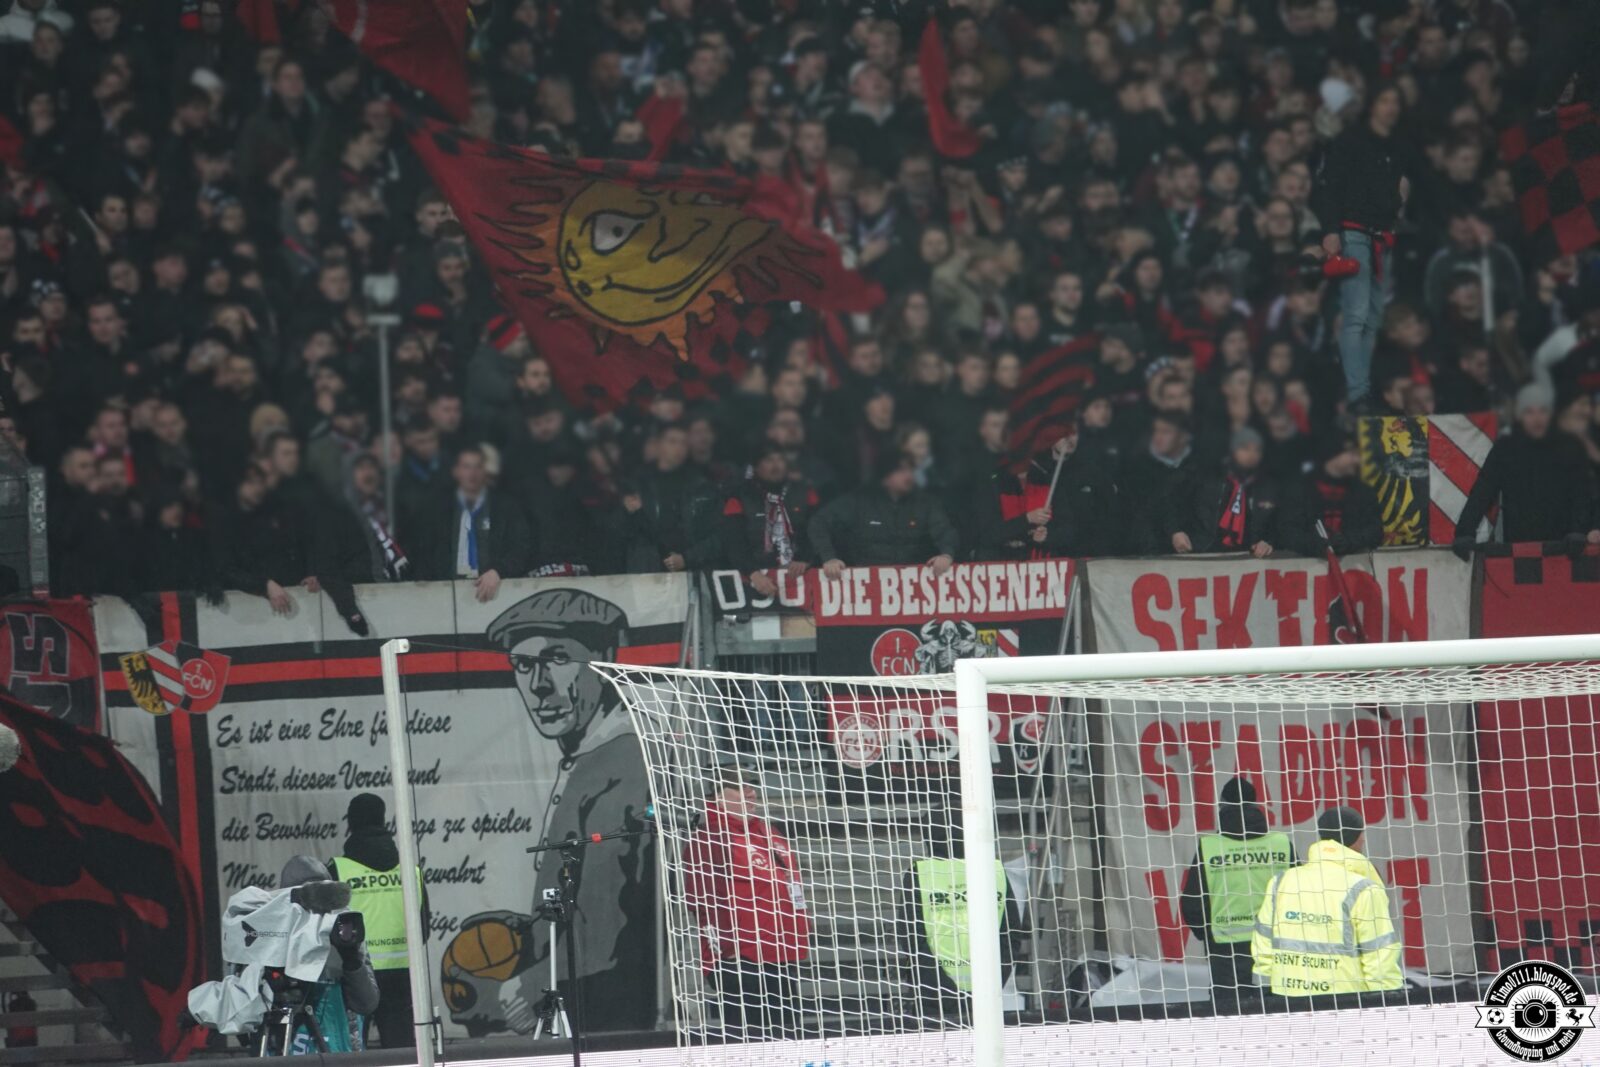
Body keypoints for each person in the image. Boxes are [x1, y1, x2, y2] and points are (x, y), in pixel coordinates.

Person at [484, 589, 656, 1033]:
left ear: (604, 659)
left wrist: (533, 983)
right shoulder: (590, 758)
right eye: (523, 665)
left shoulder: (621, 765)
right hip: (591, 991)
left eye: (557, 659)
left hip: (605, 1000)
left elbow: (607, 915)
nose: (539, 684)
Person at [682, 762, 810, 1040]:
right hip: (741, 958)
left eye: (751, 786)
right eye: (739, 787)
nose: (750, 793)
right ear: (718, 796)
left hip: (778, 952)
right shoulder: (711, 838)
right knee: (749, 1040)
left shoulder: (767, 831)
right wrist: (728, 950)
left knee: (786, 1035)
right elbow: (700, 899)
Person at [1312, 85, 1417, 411]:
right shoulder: (1351, 141)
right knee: (1355, 315)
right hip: (1355, 233)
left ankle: (1364, 389)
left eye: (1395, 101)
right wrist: (1330, 230)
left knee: (1371, 316)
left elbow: (1398, 194)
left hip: (1382, 237)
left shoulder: (1399, 146)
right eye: (1384, 99)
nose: (1390, 107)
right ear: (1372, 105)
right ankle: (1356, 392)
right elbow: (1329, 187)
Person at [1250, 806, 1403, 1000]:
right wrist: (1387, 1000)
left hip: (1286, 997)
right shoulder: (1364, 889)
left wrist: (1271, 987)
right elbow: (1380, 956)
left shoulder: (1281, 881)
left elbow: (1263, 940)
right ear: (1358, 837)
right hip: (1346, 1001)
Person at [1180, 778, 1294, 1014]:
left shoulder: (1209, 847)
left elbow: (1192, 903)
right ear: (1256, 805)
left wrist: (1208, 934)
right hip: (1276, 946)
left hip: (1226, 953)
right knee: (1278, 1014)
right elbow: (1300, 893)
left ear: (1223, 806)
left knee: (1230, 1019)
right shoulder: (1281, 844)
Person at [328, 794, 428, 1050]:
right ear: (383, 821)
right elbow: (424, 927)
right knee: (402, 1053)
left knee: (351, 1049)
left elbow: (325, 928)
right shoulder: (410, 870)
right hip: (402, 973)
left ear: (351, 823)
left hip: (356, 971)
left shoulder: (338, 869)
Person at [1454, 383, 1600, 549]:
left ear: (1550, 414)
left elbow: (1581, 493)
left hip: (1561, 550)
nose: (1537, 418)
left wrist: (1577, 531)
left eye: (1542, 411)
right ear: (1519, 415)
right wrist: (1465, 532)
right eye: (1529, 412)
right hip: (1519, 550)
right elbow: (1483, 490)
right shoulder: (1505, 449)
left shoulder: (1569, 448)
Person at [409, 445, 531, 599]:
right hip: (444, 594)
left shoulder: (506, 507)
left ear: (485, 472)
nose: (472, 473)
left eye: (478, 467)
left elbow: (520, 547)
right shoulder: (437, 510)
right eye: (466, 467)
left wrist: (498, 571)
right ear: (456, 471)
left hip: (495, 592)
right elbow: (424, 554)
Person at [809, 454, 958, 576]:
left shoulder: (926, 503)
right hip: (867, 585)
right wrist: (829, 558)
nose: (908, 475)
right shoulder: (860, 500)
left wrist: (946, 555)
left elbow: (944, 531)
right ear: (885, 477)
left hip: (915, 584)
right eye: (901, 470)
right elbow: (819, 523)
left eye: (910, 470)